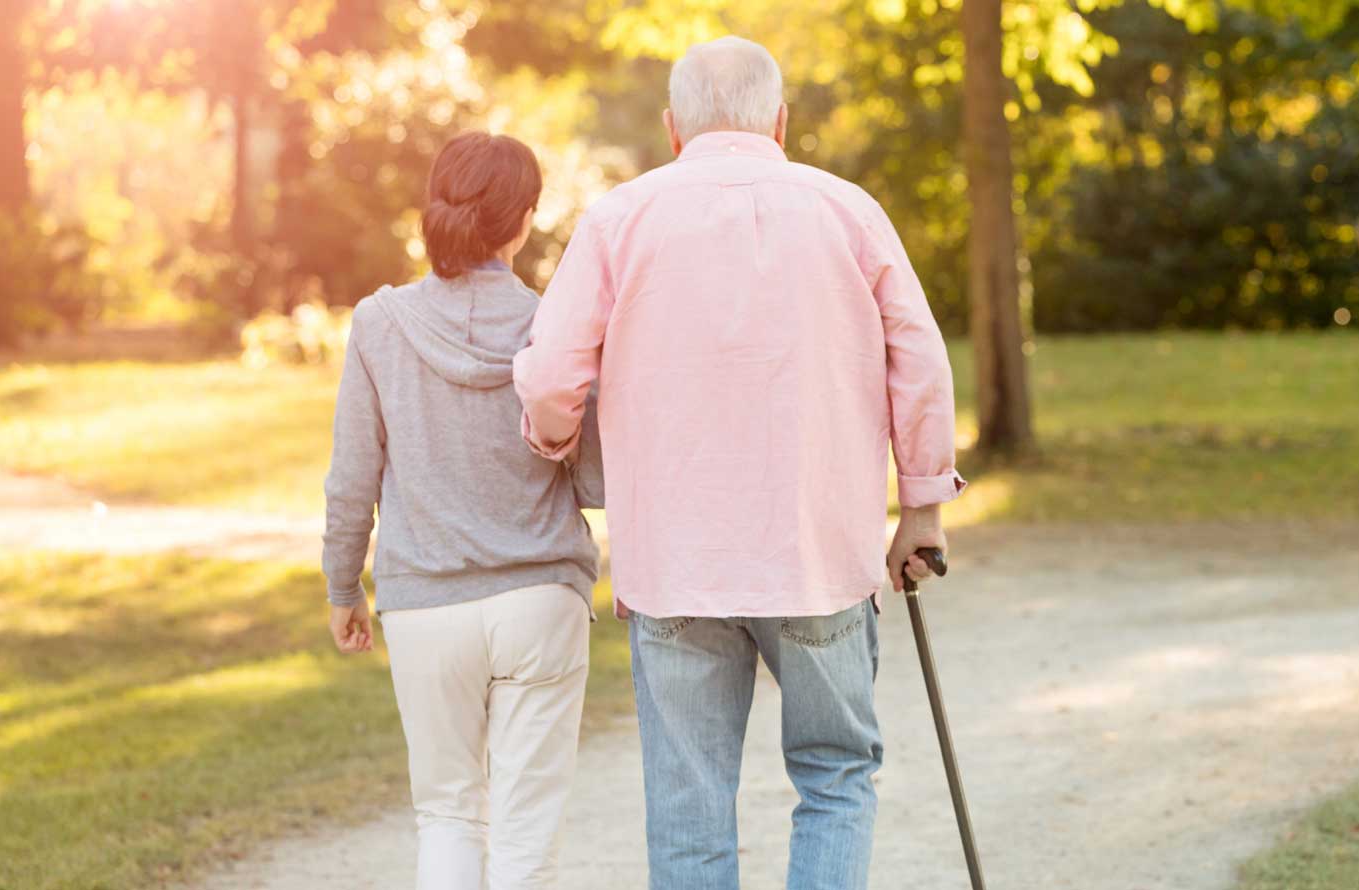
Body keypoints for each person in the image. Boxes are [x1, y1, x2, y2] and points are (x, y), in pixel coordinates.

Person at [513, 35, 966, 890]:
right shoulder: (849, 211)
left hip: (675, 564)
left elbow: (547, 379)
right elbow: (921, 358)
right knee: (836, 778)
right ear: (782, 123)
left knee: (690, 810)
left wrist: (556, 442)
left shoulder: (620, 218)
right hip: (820, 555)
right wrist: (924, 507)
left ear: (672, 127)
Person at [321, 131, 603, 890]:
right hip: (541, 602)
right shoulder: (556, 328)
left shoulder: (380, 325)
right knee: (525, 837)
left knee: (447, 816)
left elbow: (352, 477)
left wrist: (343, 588)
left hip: (424, 606)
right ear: (522, 221)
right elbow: (597, 482)